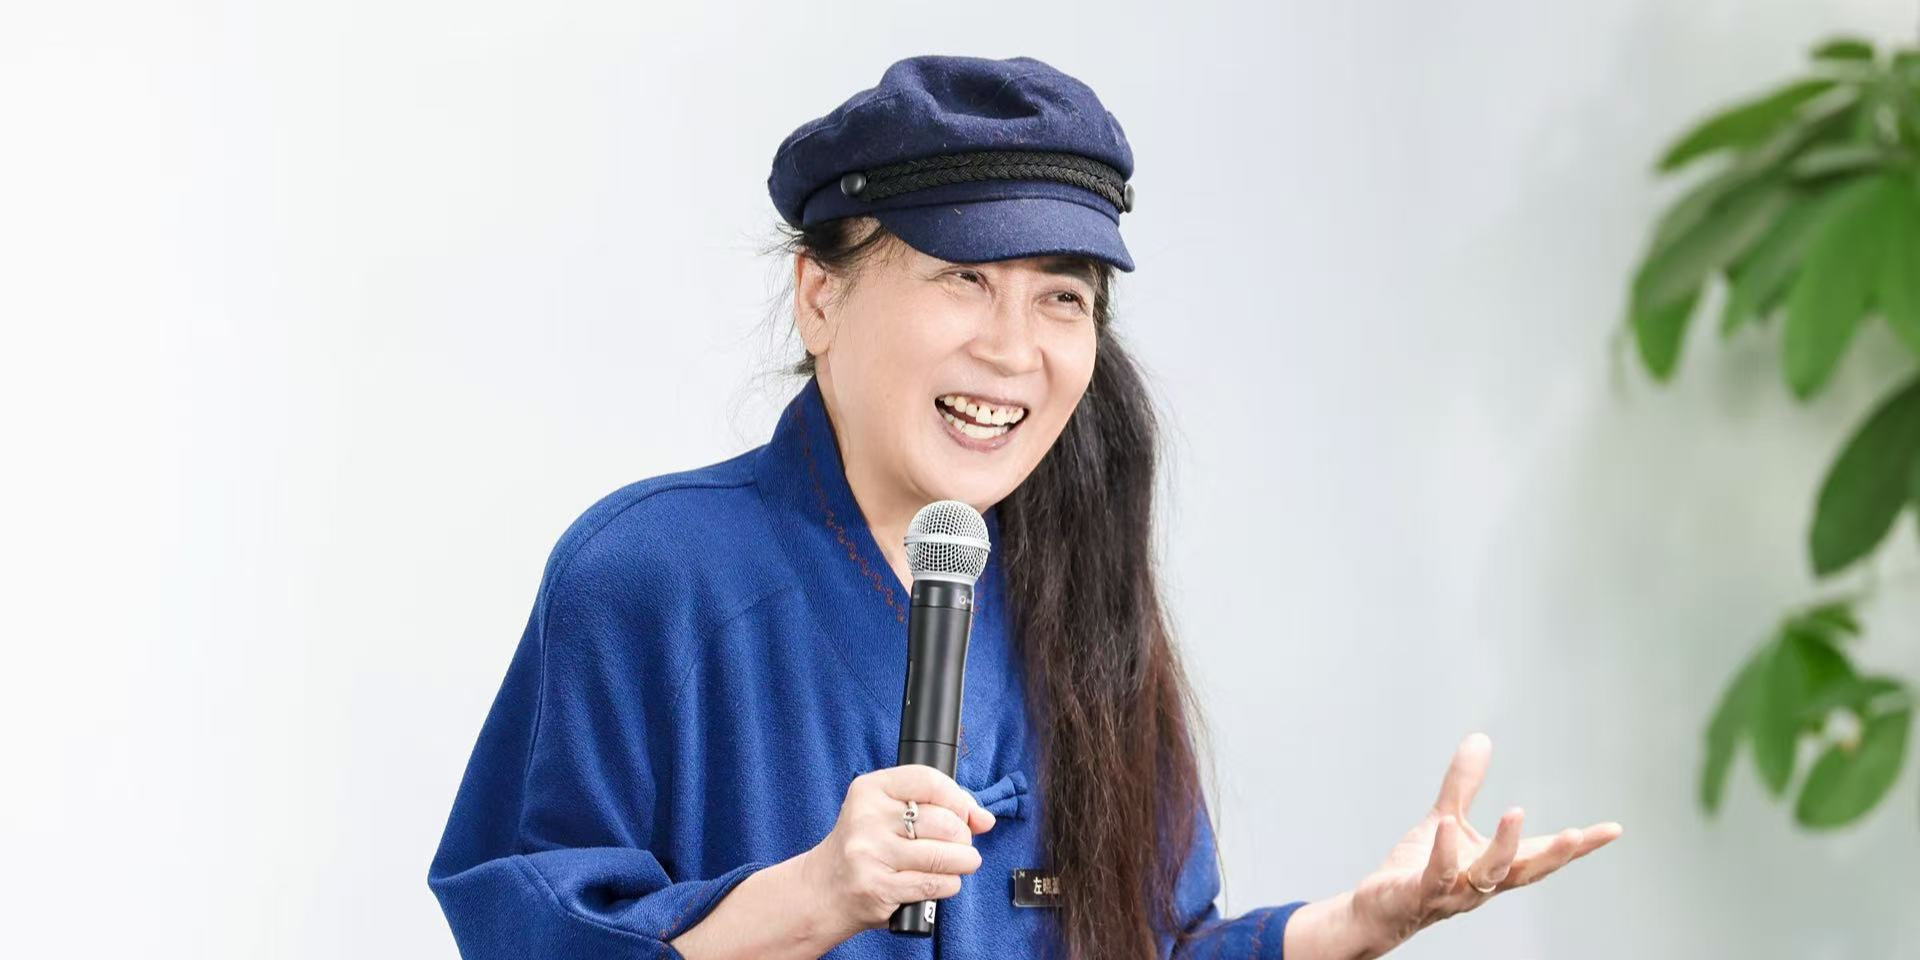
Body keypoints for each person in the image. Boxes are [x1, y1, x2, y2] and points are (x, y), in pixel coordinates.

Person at [425, 54, 1623, 960]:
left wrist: (1358, 923)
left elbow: (1152, 941)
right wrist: (812, 896)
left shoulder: (1084, 591)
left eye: (1062, 297)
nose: (1013, 350)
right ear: (820, 298)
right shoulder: (647, 574)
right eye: (963, 279)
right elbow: (526, 933)